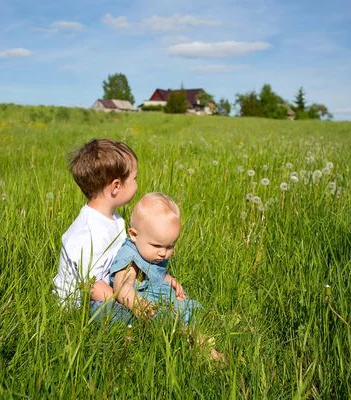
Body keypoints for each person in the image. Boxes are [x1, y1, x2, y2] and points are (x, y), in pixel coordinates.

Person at [110, 193, 224, 361]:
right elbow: (121, 286)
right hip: (149, 308)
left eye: (170, 246)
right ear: (134, 235)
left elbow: (156, 274)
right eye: (157, 245)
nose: (163, 253)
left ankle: (219, 325)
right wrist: (139, 304)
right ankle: (206, 350)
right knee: (177, 323)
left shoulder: (150, 252)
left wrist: (169, 280)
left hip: (164, 299)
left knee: (192, 310)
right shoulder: (131, 257)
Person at [52, 138, 137, 322]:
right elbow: (91, 285)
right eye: (134, 179)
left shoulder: (115, 220)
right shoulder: (87, 232)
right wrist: (130, 303)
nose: (137, 184)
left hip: (107, 292)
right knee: (123, 316)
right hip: (83, 304)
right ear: (116, 186)